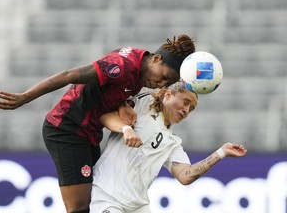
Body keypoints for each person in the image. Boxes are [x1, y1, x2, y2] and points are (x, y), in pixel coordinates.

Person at [0, 34, 196, 213]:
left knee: (97, 200)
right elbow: (69, 75)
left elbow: (111, 90)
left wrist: (121, 106)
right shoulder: (122, 65)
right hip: (66, 128)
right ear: (156, 59)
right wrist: (24, 97)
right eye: (163, 77)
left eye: (166, 83)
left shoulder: (140, 75)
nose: (161, 85)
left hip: (89, 133)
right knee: (79, 207)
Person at [91, 82, 247, 213]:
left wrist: (222, 152)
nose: (186, 110)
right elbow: (103, 115)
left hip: (137, 206)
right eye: (185, 102)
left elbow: (186, 175)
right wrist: (125, 129)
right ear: (167, 95)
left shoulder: (172, 142)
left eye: (191, 108)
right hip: (108, 195)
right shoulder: (144, 104)